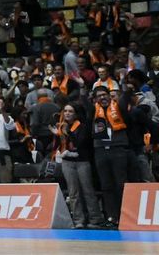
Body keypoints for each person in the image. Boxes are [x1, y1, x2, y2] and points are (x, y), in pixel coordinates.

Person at [90, 84, 133, 228]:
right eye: (99, 96)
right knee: (106, 185)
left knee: (121, 183)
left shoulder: (118, 106)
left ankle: (126, 216)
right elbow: (83, 105)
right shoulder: (93, 111)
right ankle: (111, 216)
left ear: (110, 95)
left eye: (104, 94)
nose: (102, 98)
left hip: (117, 148)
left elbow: (125, 100)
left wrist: (125, 89)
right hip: (100, 150)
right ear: (95, 99)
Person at [54, 102, 102, 228]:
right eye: (65, 111)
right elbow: (57, 145)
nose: (67, 113)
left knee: (87, 190)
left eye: (70, 111)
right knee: (73, 192)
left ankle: (95, 219)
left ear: (75, 114)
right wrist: (58, 136)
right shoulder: (61, 127)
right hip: (67, 163)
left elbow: (81, 143)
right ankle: (78, 220)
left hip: (82, 161)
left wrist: (66, 133)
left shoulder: (83, 126)